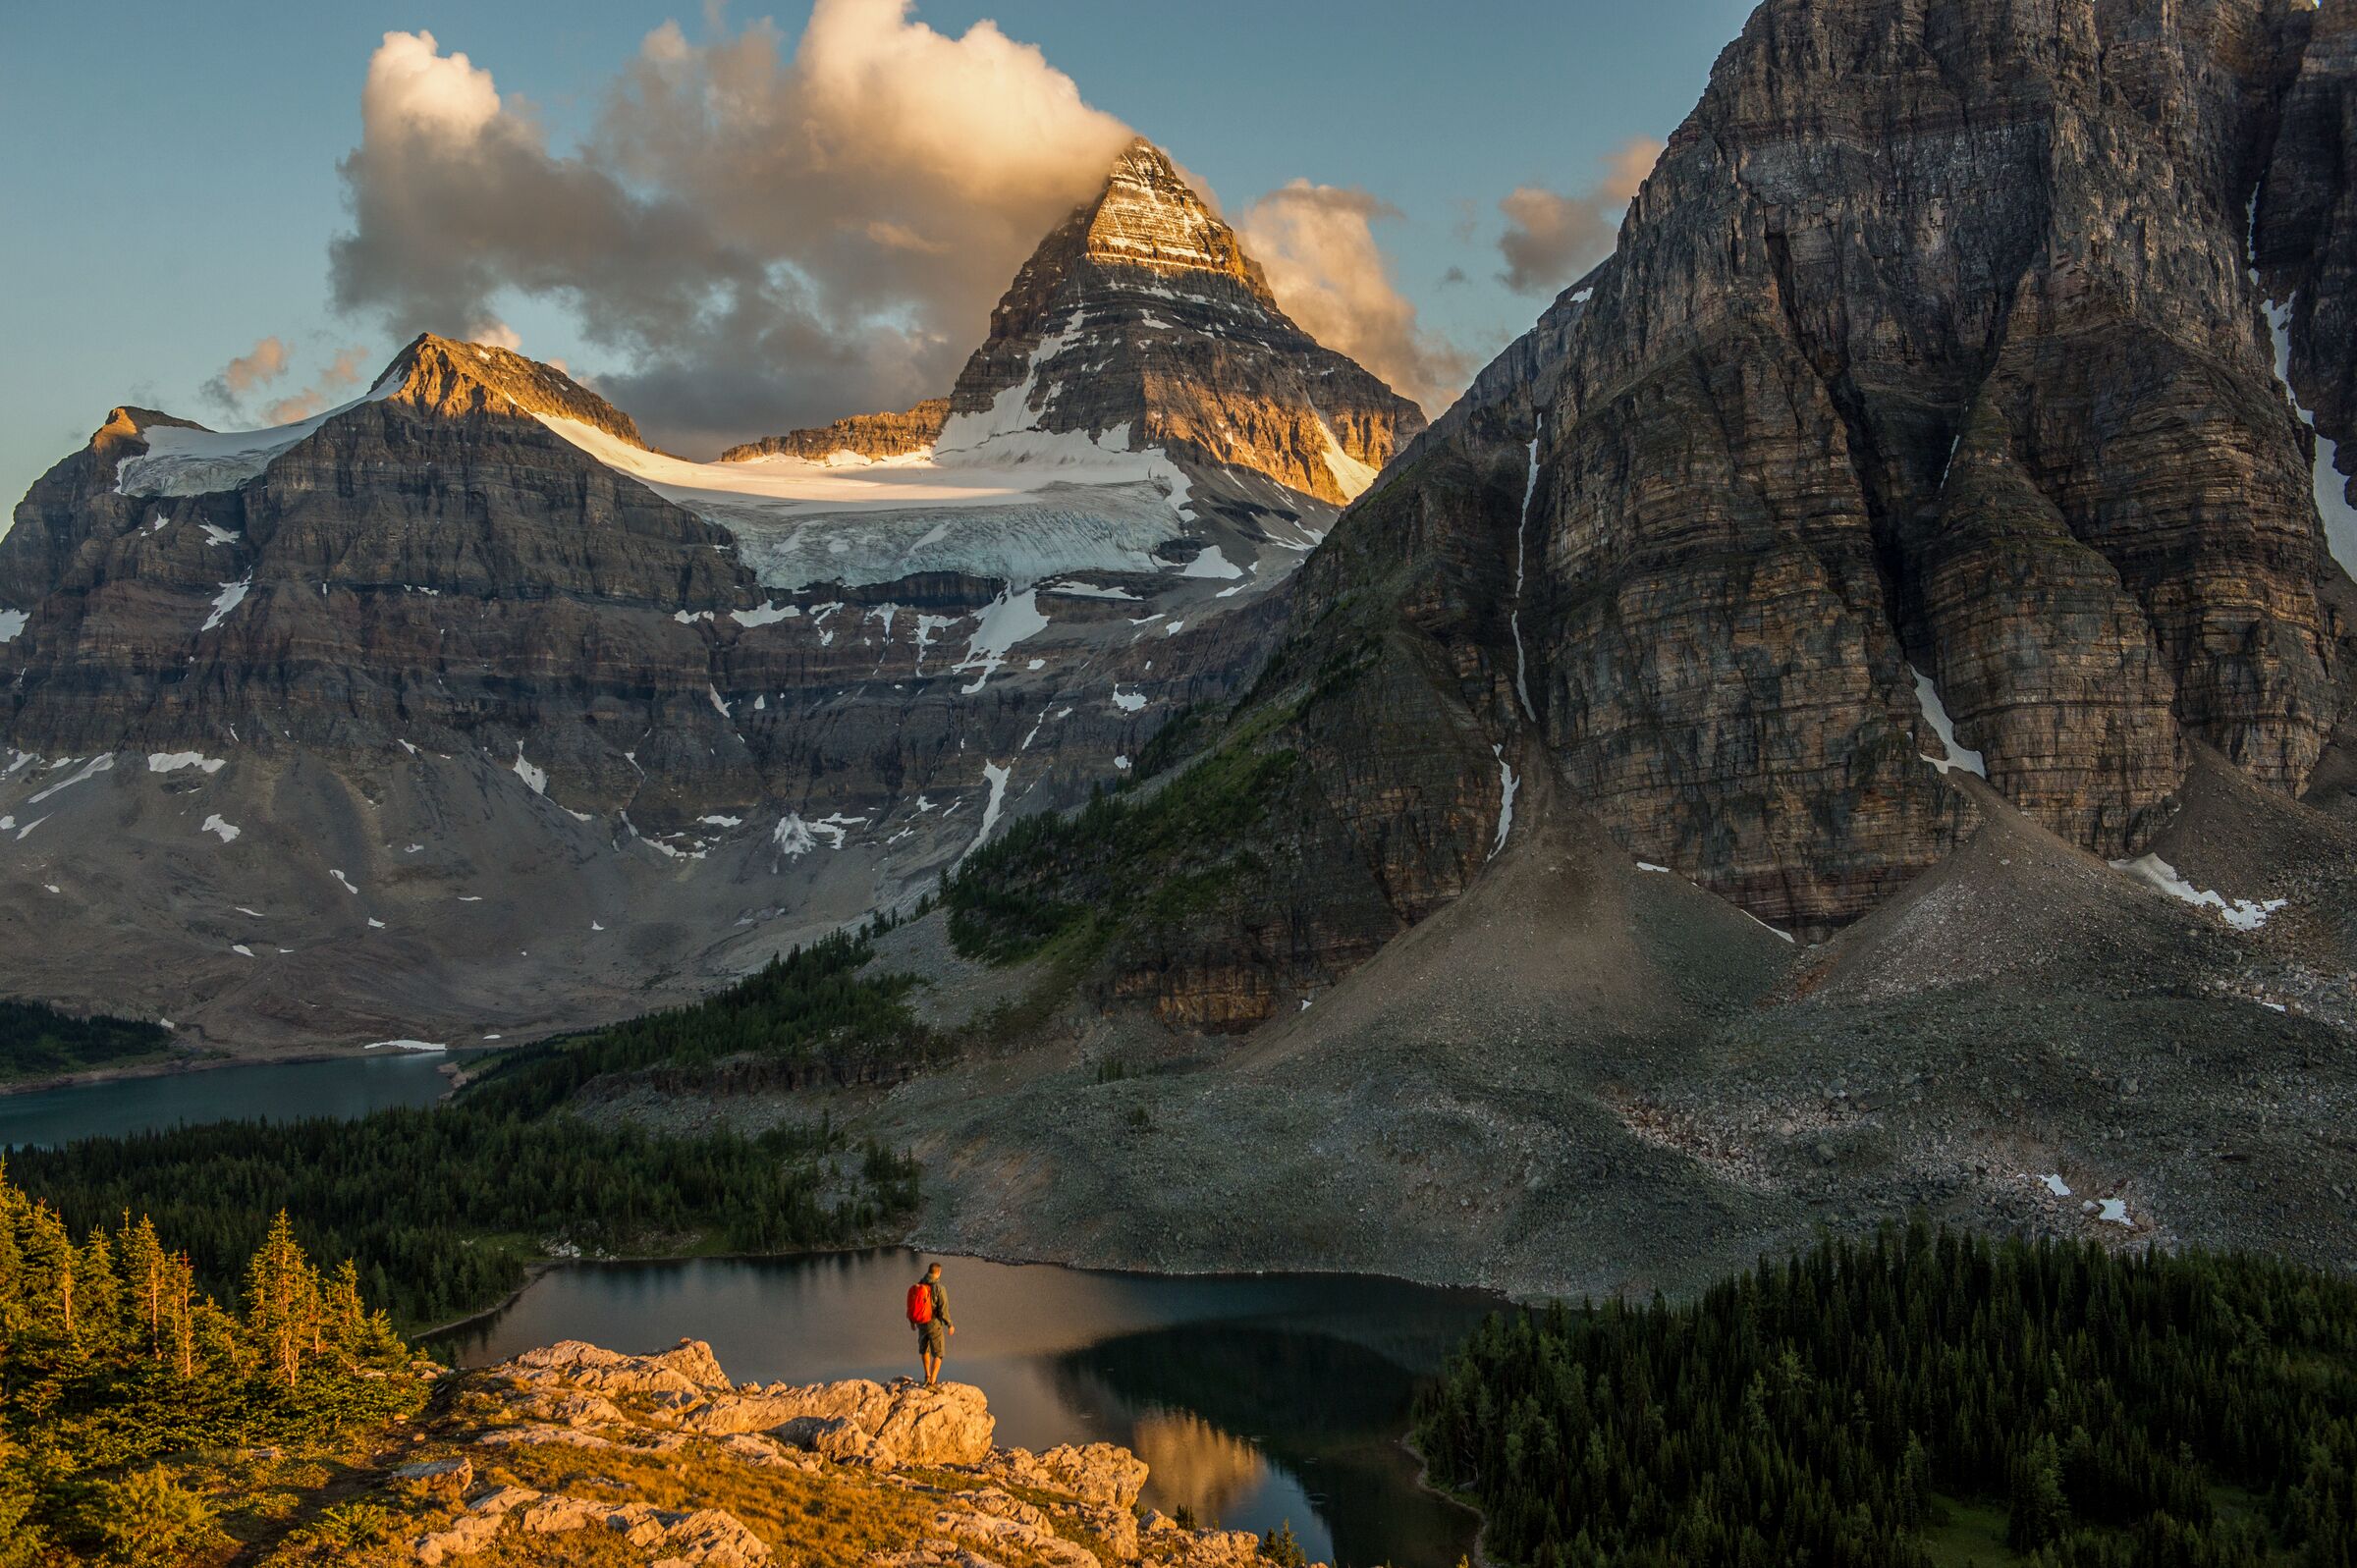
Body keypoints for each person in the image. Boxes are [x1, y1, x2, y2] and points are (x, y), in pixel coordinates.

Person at [913, 1262, 954, 1386]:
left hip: (921, 1323)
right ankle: (933, 1382)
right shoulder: (939, 1288)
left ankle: (927, 1376)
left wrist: (912, 1321)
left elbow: (913, 1305)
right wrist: (949, 1324)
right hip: (934, 1323)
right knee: (938, 1353)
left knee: (924, 1349)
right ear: (938, 1272)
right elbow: (943, 1309)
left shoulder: (919, 1285)